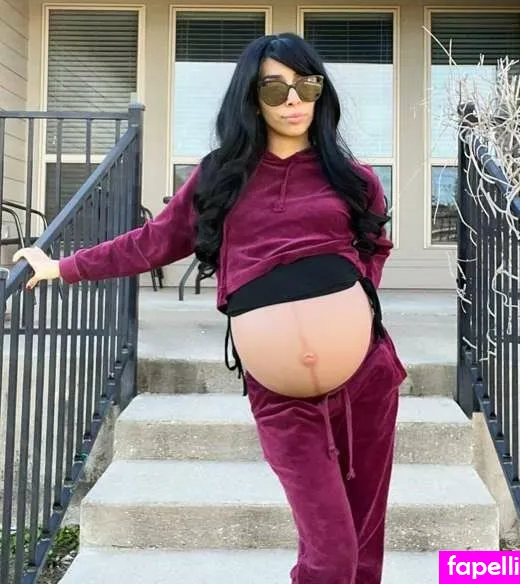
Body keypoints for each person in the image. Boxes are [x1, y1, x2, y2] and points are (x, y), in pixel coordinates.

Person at [14, 32, 407, 584]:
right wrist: (64, 266)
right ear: (252, 98)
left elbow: (375, 248)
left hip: (365, 377)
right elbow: (153, 241)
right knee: (332, 553)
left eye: (307, 85)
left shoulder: (353, 178)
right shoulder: (221, 176)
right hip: (280, 392)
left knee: (363, 550)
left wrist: (353, 306)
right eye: (275, 89)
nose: (294, 100)